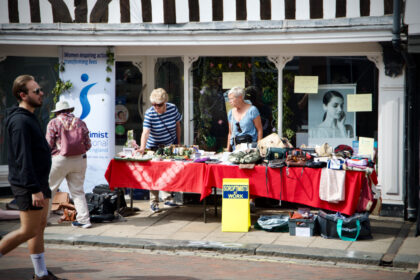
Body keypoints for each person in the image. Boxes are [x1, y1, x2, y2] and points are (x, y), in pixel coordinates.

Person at [0, 75, 65, 280]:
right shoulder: (19, 121)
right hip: (29, 185)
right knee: (28, 230)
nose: (41, 93)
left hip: (40, 182)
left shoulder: (30, 117)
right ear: (23, 95)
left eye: (40, 89)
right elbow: (22, 158)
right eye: (36, 91)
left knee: (39, 227)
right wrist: (33, 188)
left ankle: (41, 274)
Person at [46, 100, 92, 229]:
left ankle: (43, 220)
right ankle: (84, 220)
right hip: (79, 160)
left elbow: (48, 144)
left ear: (57, 112)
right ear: (70, 110)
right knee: (77, 191)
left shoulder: (53, 123)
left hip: (60, 160)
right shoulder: (80, 122)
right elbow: (88, 144)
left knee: (50, 190)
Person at [137, 88, 182, 213]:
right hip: (154, 146)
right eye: (154, 104)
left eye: (159, 105)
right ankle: (154, 202)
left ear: (165, 102)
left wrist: (178, 142)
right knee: (154, 174)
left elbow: (178, 124)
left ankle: (167, 197)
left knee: (168, 171)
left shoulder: (172, 108)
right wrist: (142, 147)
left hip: (169, 145)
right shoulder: (150, 113)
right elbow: (145, 132)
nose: (156, 107)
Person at [226, 86, 263, 152]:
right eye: (229, 99)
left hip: (250, 149)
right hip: (236, 150)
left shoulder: (252, 110)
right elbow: (230, 133)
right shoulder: (230, 113)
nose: (229, 101)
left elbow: (259, 130)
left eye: (231, 99)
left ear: (240, 97)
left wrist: (258, 148)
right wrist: (227, 151)